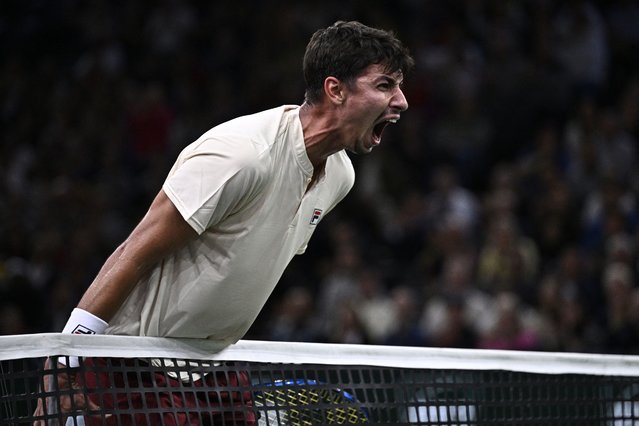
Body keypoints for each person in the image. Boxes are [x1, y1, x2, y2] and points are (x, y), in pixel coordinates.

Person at [33, 20, 414, 425]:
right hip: (137, 362)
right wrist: (66, 360)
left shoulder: (341, 176)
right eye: (385, 85)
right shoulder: (241, 155)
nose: (402, 101)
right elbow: (133, 253)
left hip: (216, 364)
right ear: (335, 89)